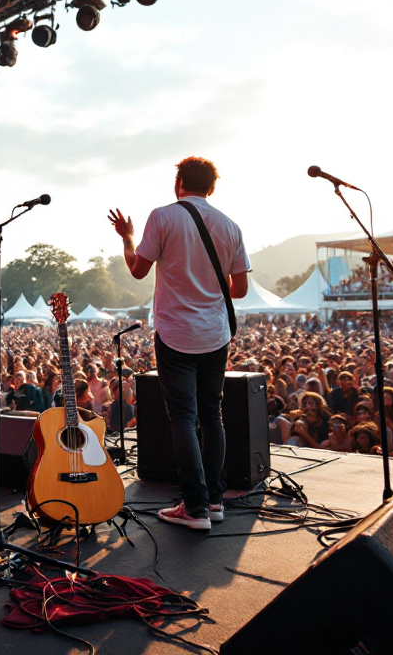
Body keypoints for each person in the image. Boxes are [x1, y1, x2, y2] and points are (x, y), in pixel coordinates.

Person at [110, 156, 250, 530]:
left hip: (175, 334)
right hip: (215, 334)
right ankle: (215, 501)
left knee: (183, 418)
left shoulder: (162, 216)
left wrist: (126, 237)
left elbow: (138, 270)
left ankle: (194, 506)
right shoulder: (231, 226)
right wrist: (208, 287)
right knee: (211, 415)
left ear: (179, 182)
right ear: (212, 187)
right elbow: (240, 288)